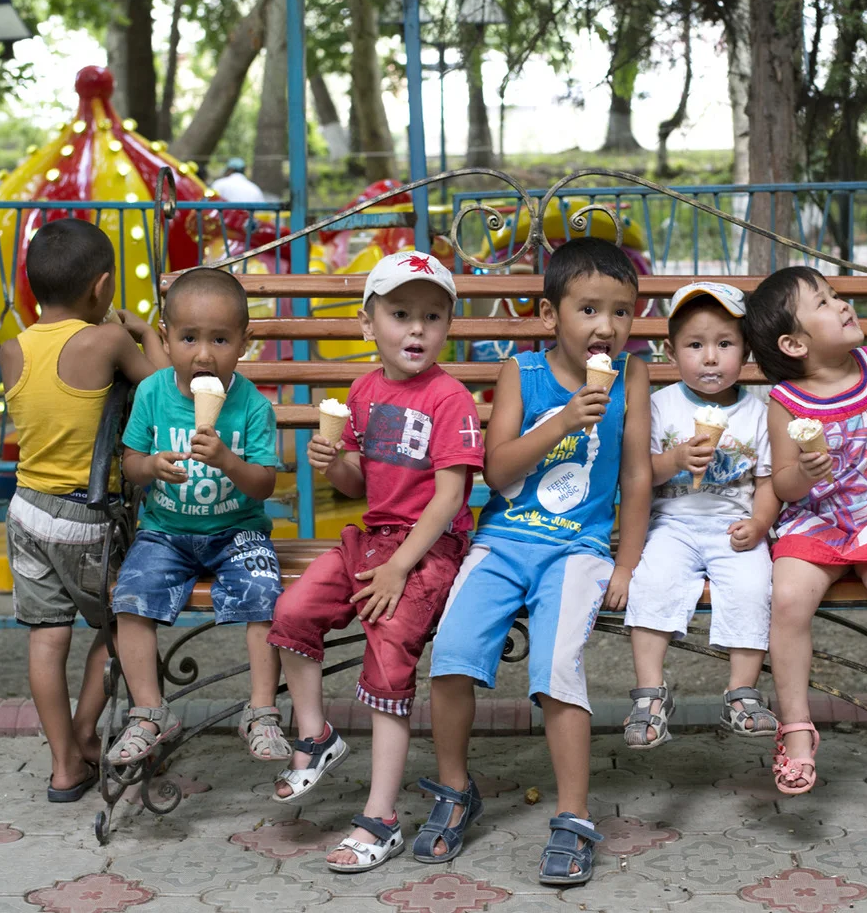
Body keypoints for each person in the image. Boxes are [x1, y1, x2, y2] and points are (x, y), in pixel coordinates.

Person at [414, 237, 652, 886]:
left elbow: (635, 477)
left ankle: (573, 816)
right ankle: (456, 788)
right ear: (551, 316)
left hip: (578, 549)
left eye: (622, 312)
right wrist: (563, 421)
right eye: (589, 309)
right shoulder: (523, 373)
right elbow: (497, 468)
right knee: (452, 652)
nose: (606, 325)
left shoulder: (633, 376)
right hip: (504, 539)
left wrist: (626, 563)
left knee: (554, 668)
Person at [265, 252, 484, 874]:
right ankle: (316, 735)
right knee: (294, 609)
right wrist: (330, 461)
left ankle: (380, 818)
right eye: (399, 314)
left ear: (447, 327)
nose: (416, 329)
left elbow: (449, 497)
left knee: (387, 653)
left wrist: (399, 569)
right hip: (372, 539)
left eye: (432, 316)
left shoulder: (450, 398)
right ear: (368, 325)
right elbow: (359, 481)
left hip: (427, 548)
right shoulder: (362, 391)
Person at [745, 266, 867, 799]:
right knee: (786, 598)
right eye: (824, 303)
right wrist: (802, 474)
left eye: (836, 295)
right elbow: (784, 484)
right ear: (793, 343)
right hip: (815, 521)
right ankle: (796, 730)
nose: (841, 304)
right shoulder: (786, 401)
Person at [0, 217, 168, 801]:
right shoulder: (108, 340)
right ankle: (85, 732)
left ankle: (65, 763)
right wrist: (144, 331)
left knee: (47, 638)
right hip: (85, 517)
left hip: (25, 511)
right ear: (101, 287)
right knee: (122, 624)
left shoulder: (12, 348)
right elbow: (165, 386)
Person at [105, 268, 288, 767]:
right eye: (188, 338)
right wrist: (151, 467)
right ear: (166, 338)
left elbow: (265, 483)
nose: (204, 353)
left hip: (238, 532)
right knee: (131, 598)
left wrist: (229, 460)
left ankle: (262, 710)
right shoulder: (153, 394)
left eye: (220, 339)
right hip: (165, 533)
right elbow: (130, 462)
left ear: (243, 343)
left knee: (264, 594)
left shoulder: (251, 405)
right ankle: (148, 712)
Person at [622, 281, 779, 748]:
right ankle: (649, 693)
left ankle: (741, 692)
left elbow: (768, 481)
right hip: (673, 524)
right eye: (695, 345)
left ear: (746, 353)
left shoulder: (759, 412)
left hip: (735, 525)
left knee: (756, 584)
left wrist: (760, 524)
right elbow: (638, 474)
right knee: (652, 582)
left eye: (724, 344)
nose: (710, 358)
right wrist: (673, 462)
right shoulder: (659, 405)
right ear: (671, 353)